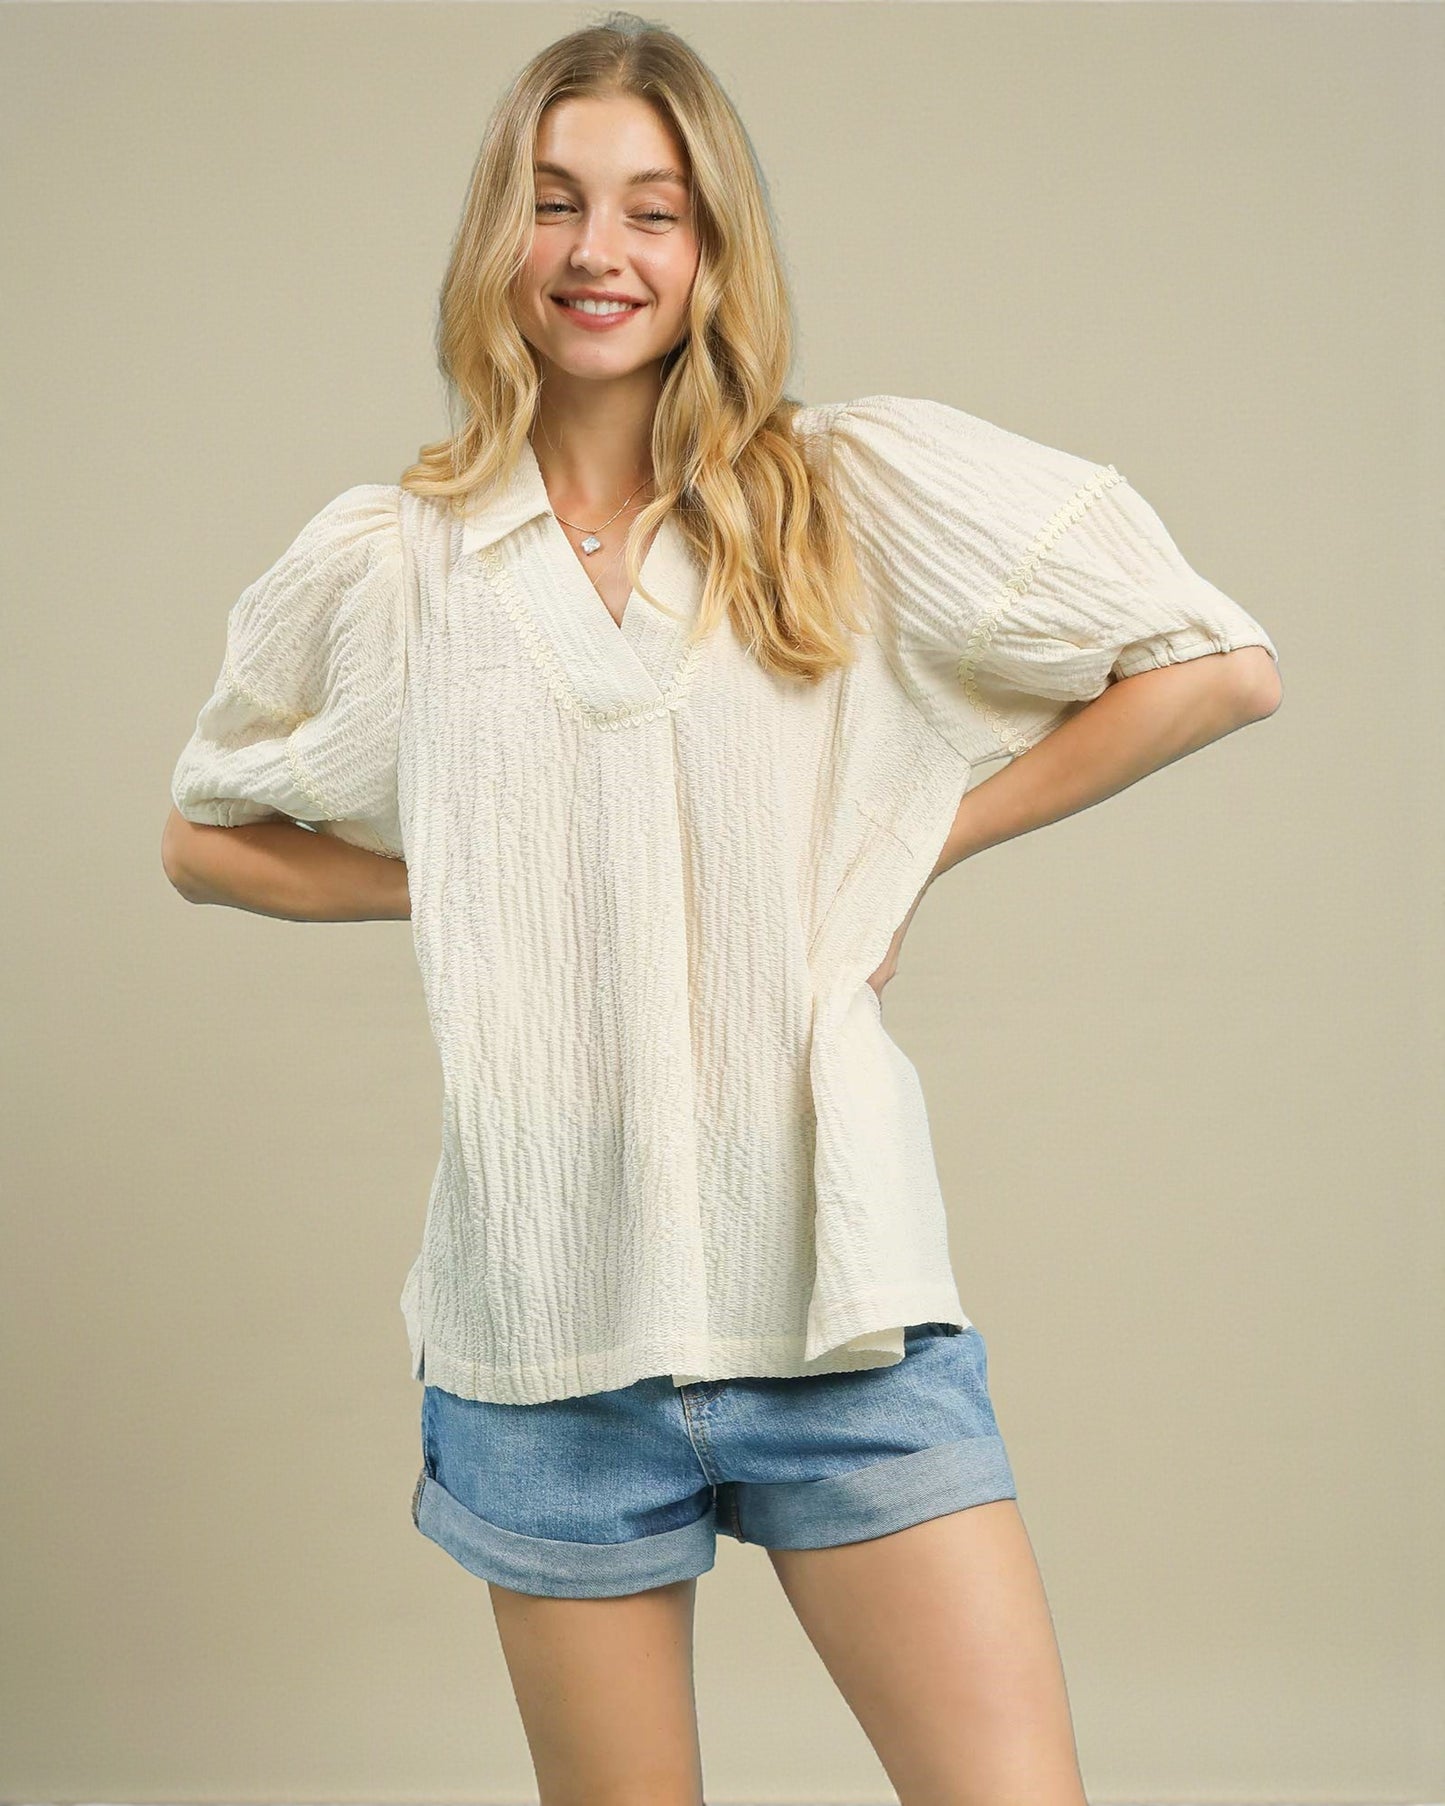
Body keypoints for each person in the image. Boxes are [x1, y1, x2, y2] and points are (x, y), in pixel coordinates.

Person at [161, 14, 1282, 1805]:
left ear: (710, 249)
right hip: (546, 1327)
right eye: (553, 203)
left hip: (831, 1296)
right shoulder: (398, 564)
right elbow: (206, 836)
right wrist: (466, 873)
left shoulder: (834, 497)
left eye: (651, 210)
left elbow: (1214, 667)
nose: (598, 250)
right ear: (495, 239)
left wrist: (910, 840)